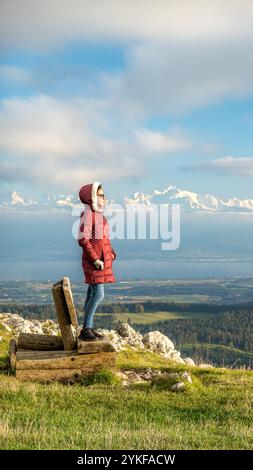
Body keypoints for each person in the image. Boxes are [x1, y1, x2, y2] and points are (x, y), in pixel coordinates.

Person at [77, 181, 117, 341]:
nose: (105, 198)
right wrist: (95, 260)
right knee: (98, 294)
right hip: (94, 263)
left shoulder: (97, 215)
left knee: (92, 293)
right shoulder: (88, 215)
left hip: (100, 261)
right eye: (101, 195)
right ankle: (86, 329)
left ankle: (88, 328)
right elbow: (83, 239)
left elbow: (103, 239)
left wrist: (111, 253)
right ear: (92, 197)